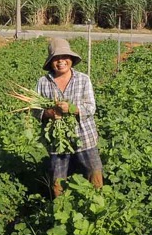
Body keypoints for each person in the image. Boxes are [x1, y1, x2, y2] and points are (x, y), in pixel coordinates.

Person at [36, 38, 103, 198]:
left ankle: (96, 205)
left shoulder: (83, 79)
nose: (60, 62)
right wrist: (50, 113)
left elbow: (91, 107)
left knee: (94, 172)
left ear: (71, 59)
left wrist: (72, 108)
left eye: (64, 57)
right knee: (57, 180)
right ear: (51, 62)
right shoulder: (43, 82)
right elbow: (34, 109)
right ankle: (60, 208)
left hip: (84, 136)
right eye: (56, 58)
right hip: (57, 141)